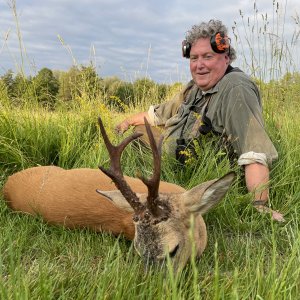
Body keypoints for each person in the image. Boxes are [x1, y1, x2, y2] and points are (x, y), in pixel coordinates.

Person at [115, 19, 284, 222]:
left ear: (226, 58)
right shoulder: (194, 88)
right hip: (171, 155)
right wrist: (125, 123)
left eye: (207, 57)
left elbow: (254, 151)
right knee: (139, 132)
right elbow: (157, 115)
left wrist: (260, 206)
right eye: (194, 58)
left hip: (198, 174)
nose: (199, 65)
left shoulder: (235, 88)